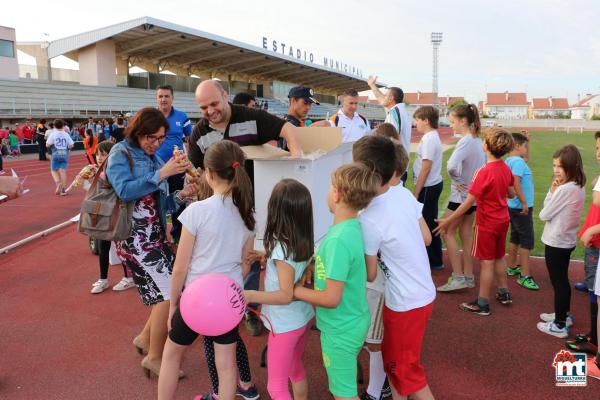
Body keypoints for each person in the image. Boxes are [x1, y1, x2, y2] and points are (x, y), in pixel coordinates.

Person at [158, 140, 257, 400]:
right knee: (227, 367)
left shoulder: (196, 211)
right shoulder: (248, 215)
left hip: (196, 300)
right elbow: (246, 266)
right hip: (228, 301)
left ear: (209, 174)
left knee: (171, 356)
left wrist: (172, 307)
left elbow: (180, 268)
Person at [106, 107, 196, 379]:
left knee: (165, 294)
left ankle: (146, 340)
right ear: (138, 130)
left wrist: (182, 194)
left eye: (160, 138)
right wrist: (163, 173)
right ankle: (155, 357)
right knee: (169, 295)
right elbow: (124, 190)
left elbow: (161, 202)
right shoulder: (120, 153)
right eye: (151, 137)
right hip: (135, 239)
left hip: (154, 237)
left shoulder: (154, 157)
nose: (155, 143)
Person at [354, 136, 436, 400]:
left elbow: (370, 274)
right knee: (395, 366)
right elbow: (426, 238)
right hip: (419, 293)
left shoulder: (368, 218)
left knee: (406, 371)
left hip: (405, 302)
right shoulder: (402, 193)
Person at [294, 163, 380, 400]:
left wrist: (295, 291)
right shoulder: (350, 228)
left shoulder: (338, 240)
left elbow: (331, 298)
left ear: (337, 194)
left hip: (340, 328)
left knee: (344, 393)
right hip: (352, 319)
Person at [243, 179, 315, 400]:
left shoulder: (282, 249)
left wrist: (250, 295)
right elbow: (291, 268)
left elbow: (285, 295)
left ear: (275, 211)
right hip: (301, 318)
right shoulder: (301, 240)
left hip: (284, 325)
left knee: (276, 387)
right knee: (295, 369)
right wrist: (268, 258)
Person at [435, 128, 516, 316]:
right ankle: (504, 293)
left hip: (487, 223)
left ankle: (483, 303)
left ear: (485, 146)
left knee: (487, 263)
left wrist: (448, 220)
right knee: (498, 257)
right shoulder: (506, 168)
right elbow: (511, 193)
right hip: (503, 220)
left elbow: (468, 202)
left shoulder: (483, 172)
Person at [537, 145, 586, 338]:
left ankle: (559, 324)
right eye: (554, 165)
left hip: (557, 241)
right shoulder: (577, 185)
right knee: (561, 281)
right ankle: (563, 316)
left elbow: (543, 214)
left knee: (559, 283)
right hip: (566, 240)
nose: (556, 170)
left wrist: (551, 192)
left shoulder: (565, 189)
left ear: (572, 166)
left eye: (560, 166)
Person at [437, 104, 486, 292]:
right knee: (465, 235)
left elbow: (450, 165)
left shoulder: (466, 141)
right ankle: (468, 276)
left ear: (463, 121)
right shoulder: (476, 140)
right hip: (472, 198)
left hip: (460, 197)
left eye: (452, 122)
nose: (451, 126)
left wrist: (458, 180)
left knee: (446, 232)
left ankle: (458, 277)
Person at [83, 140, 136, 294]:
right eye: (98, 154)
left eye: (104, 154)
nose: (100, 157)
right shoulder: (94, 170)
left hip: (117, 212)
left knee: (122, 246)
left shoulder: (119, 170)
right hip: (102, 213)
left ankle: (129, 277)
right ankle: (103, 279)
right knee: (102, 246)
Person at [569, 132, 600, 355]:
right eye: (597, 149)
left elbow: (598, 200)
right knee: (592, 285)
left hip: (596, 242)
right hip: (595, 240)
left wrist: (593, 230)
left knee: (595, 290)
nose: (598, 154)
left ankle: (594, 339)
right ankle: (594, 335)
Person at [155, 85, 193, 243]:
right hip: (156, 168)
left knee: (179, 198)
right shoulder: (151, 117)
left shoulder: (182, 116)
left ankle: (178, 234)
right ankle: (159, 234)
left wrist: (190, 161)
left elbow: (190, 139)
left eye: (166, 96)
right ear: (157, 98)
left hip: (177, 166)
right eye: (160, 96)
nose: (163, 99)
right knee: (157, 201)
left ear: (172, 98)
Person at [504, 132, 539, 290]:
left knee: (515, 237)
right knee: (527, 241)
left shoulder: (510, 160)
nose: (527, 149)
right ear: (517, 146)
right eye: (525, 146)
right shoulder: (517, 162)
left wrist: (528, 142)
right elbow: (515, 182)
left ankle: (511, 267)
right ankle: (525, 276)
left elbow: (526, 158)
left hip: (513, 207)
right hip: (521, 208)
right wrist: (524, 202)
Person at [413, 106, 444, 270]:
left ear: (426, 120)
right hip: (430, 185)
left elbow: (426, 167)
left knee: (425, 224)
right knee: (429, 221)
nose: (416, 123)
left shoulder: (429, 139)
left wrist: (416, 192)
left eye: (417, 120)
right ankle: (434, 259)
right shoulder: (430, 137)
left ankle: (433, 260)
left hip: (427, 187)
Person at [367, 76, 412, 183]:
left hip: (394, 167)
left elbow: (393, 138)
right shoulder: (398, 110)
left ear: (391, 98)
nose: (383, 97)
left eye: (386, 95)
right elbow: (381, 98)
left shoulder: (395, 112)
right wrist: (372, 85)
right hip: (398, 165)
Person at [46, 119, 74, 196]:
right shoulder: (66, 134)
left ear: (54, 126)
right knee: (63, 171)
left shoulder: (53, 134)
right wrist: (67, 148)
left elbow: (47, 144)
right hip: (64, 153)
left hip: (56, 153)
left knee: (53, 170)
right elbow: (71, 145)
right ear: (63, 126)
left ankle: (58, 183)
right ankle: (63, 190)